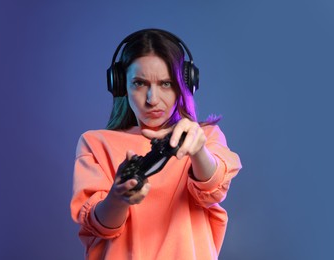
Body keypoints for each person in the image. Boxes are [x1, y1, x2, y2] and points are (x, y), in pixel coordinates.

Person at [70, 28, 242, 260]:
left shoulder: (204, 137)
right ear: (120, 84)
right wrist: (117, 198)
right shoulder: (95, 143)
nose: (152, 99)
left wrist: (198, 150)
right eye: (140, 83)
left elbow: (213, 191)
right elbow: (100, 226)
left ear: (184, 84)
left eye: (166, 84)